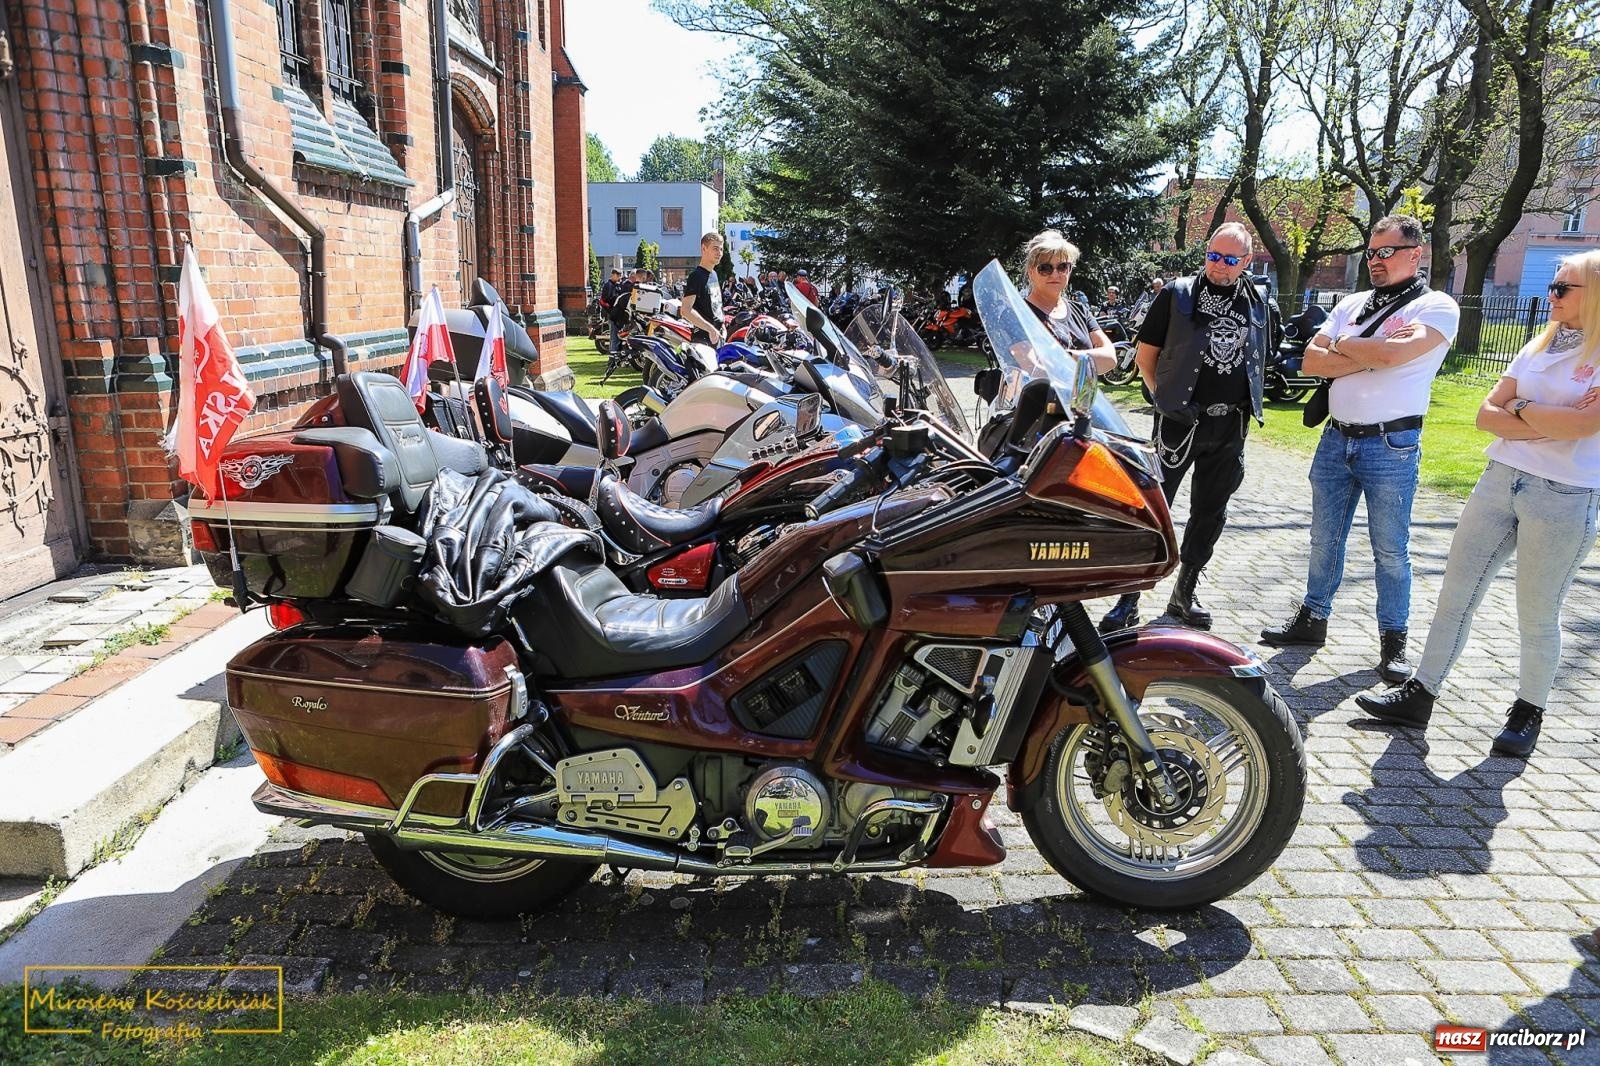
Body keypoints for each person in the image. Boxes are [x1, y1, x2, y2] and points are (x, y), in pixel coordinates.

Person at [1354, 251, 1600, 757]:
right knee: (1455, 594)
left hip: (1565, 494)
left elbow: (1581, 427)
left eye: (1561, 288)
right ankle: (1420, 692)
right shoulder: (1538, 343)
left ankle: (1527, 711)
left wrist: (1522, 409)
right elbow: (1487, 415)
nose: (1550, 295)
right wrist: (1542, 419)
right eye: (1551, 286)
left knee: (1537, 611)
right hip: (1500, 479)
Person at [1259, 215, 1460, 684]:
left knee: (1390, 550)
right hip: (1337, 438)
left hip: (1392, 443)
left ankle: (1393, 642)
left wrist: (1345, 348)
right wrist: (1369, 348)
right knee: (1323, 538)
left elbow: (1391, 357)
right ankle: (1312, 619)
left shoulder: (1436, 306)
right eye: (1370, 252)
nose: (1375, 261)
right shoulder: (1352, 302)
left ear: (1416, 253)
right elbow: (1310, 359)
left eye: (1385, 252)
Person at [1099, 223, 1271, 634]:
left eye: (1230, 260)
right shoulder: (1176, 294)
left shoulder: (1261, 300)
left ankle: (1185, 593)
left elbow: (1263, 355)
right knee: (1154, 508)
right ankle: (1129, 598)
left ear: (1247, 261)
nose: (1219, 265)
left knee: (1211, 512)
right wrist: (1165, 400)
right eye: (1213, 255)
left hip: (1231, 423)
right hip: (1179, 422)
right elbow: (1146, 355)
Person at [1019, 230, 1115, 376]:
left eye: (1062, 267)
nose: (1055, 274)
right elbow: (1033, 369)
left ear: (1069, 270)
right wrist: (1087, 360)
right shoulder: (1019, 313)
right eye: (1045, 268)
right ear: (1031, 272)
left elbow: (1110, 359)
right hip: (1039, 398)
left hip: (1082, 398)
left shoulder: (1080, 310)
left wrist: (1066, 356)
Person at [680, 232, 726, 347]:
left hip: (718, 337)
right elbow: (685, 310)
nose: (719, 253)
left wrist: (722, 325)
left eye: (721, 249)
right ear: (704, 248)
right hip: (702, 340)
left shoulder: (714, 274)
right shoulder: (696, 276)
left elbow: (716, 306)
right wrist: (710, 329)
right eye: (715, 249)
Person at [599, 268, 624, 355]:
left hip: (615, 313)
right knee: (614, 335)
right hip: (612, 314)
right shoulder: (608, 285)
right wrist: (611, 310)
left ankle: (615, 352)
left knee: (616, 335)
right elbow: (604, 300)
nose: (619, 278)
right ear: (613, 275)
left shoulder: (615, 285)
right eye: (618, 276)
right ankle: (613, 354)